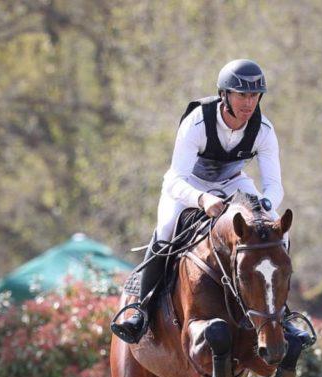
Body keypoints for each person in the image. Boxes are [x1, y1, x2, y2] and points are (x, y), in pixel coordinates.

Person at [112, 58, 289, 344]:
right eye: (242, 94)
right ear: (225, 95)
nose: (249, 103)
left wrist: (264, 207)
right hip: (189, 184)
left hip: (233, 183)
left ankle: (283, 316)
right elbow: (174, 179)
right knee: (167, 227)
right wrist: (201, 198)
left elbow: (274, 186)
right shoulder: (197, 122)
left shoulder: (263, 130)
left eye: (255, 95)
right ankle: (140, 312)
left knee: (281, 229)